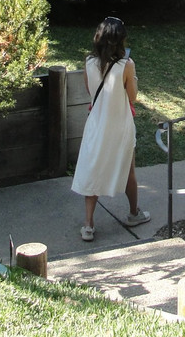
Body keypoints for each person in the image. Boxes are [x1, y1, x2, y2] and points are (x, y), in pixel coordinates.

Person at [70, 16, 150, 241]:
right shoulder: (126, 65)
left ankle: (88, 225)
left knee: (93, 169)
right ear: (120, 40)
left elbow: (91, 91)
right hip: (120, 125)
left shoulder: (89, 62)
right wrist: (133, 77)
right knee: (128, 170)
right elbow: (132, 97)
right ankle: (134, 213)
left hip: (96, 124)